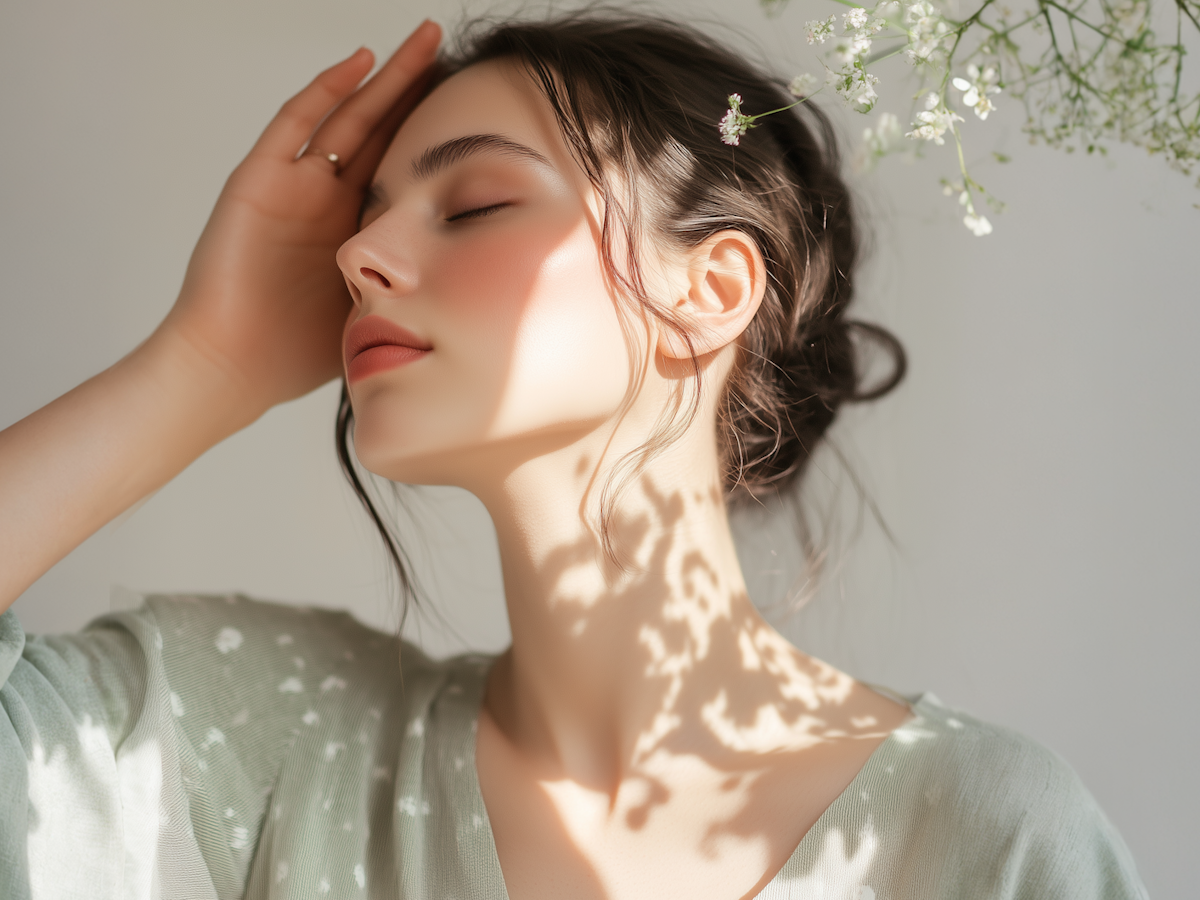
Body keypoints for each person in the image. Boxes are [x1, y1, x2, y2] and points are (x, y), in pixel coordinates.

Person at [0, 10, 1147, 900]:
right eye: (372, 217)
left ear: (710, 288)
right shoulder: (265, 740)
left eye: (479, 202)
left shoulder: (982, 831)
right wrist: (201, 364)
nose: (358, 254)